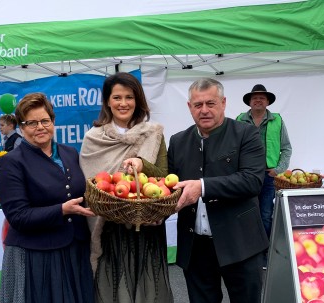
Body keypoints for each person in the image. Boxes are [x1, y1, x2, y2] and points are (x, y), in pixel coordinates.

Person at [168, 78, 268, 303]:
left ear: (223, 103)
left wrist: (202, 186)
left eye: (210, 103)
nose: (204, 110)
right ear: (189, 107)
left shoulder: (246, 134)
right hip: (196, 248)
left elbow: (252, 180)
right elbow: (169, 186)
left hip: (240, 243)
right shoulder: (178, 141)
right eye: (198, 105)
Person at [80, 72, 173, 303]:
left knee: (149, 290)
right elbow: (91, 186)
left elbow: (164, 176)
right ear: (108, 102)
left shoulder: (153, 134)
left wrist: (143, 164)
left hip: (146, 226)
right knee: (115, 289)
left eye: (129, 97)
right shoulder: (94, 138)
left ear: (138, 100)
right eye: (117, 97)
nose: (123, 103)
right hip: (112, 228)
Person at [0, 92, 95, 303]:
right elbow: (18, 216)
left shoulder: (70, 153)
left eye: (44, 121)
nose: (40, 127)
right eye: (31, 123)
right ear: (21, 128)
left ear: (53, 122)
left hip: (75, 249)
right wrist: (61, 210)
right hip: (37, 255)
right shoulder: (11, 162)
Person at [236, 84, 292, 249]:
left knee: (266, 214)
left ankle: (265, 251)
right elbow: (232, 147)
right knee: (246, 213)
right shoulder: (240, 120)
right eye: (255, 98)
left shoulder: (278, 120)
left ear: (267, 102)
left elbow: (286, 148)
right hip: (246, 175)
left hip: (268, 176)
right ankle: (248, 250)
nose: (258, 100)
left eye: (262, 98)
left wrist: (278, 170)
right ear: (250, 102)